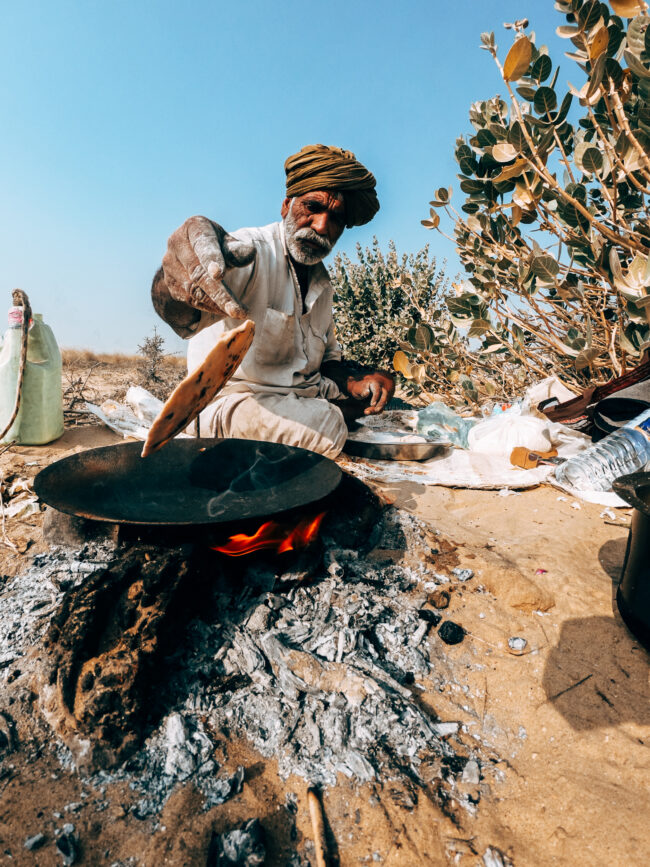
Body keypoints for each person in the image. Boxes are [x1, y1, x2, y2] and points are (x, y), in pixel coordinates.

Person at [151, 144, 395, 458]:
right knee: (327, 425)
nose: (322, 226)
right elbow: (178, 313)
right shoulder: (248, 251)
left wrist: (357, 384)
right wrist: (171, 278)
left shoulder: (323, 283)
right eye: (312, 206)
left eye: (336, 218)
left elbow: (328, 364)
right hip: (233, 405)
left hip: (301, 399)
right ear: (286, 206)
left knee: (375, 394)